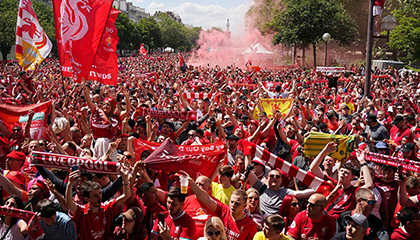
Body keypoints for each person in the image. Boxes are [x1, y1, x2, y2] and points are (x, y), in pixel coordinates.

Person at [184, 170, 258, 240]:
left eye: (237, 203)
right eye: (231, 202)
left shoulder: (250, 225)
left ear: (244, 206)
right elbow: (206, 199)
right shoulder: (224, 210)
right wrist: (191, 183)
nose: (233, 205)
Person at [65, 164, 131, 240]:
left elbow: (126, 195)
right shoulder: (81, 212)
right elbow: (69, 202)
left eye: (100, 193)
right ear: (87, 199)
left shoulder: (107, 208)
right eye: (95, 196)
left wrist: (125, 178)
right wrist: (69, 184)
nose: (100, 197)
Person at [248, 168, 316, 216]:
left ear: (281, 180)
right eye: (272, 176)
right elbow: (249, 173)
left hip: (277, 225)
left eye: (277, 176)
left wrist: (319, 189)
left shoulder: (285, 192)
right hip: (262, 223)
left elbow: (302, 193)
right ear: (267, 178)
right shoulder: (262, 189)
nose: (274, 178)